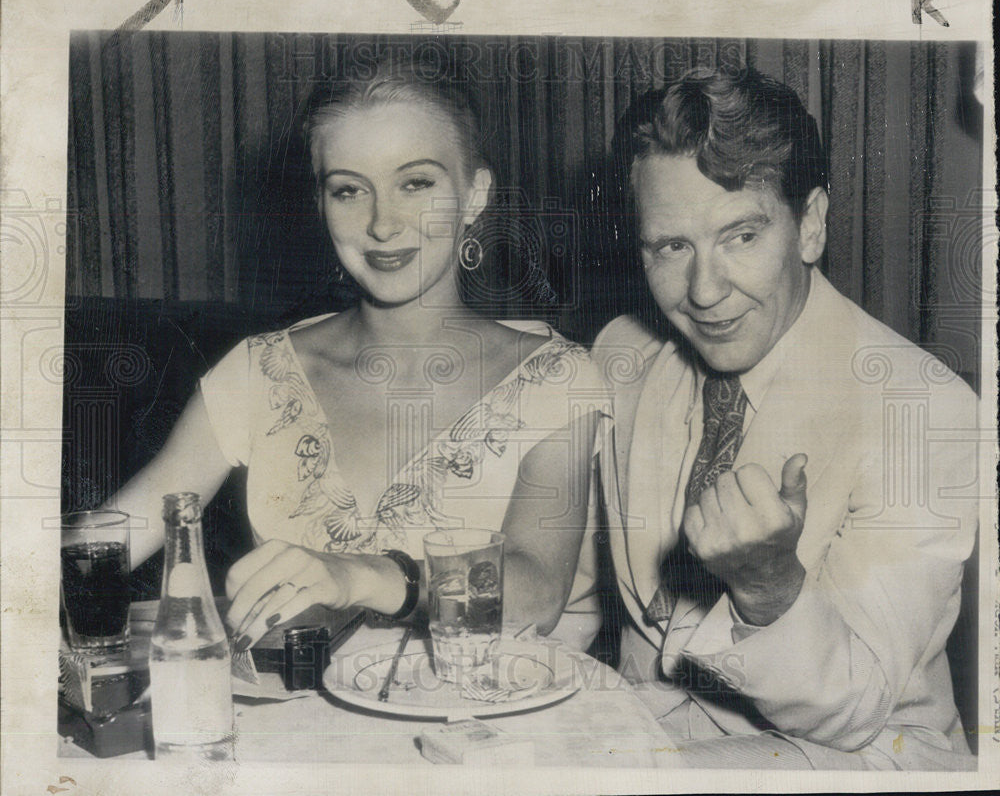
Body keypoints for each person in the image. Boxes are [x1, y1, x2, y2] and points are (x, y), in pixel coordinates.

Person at [107, 55, 607, 653]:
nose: (382, 224)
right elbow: (115, 534)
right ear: (321, 205)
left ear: (475, 196)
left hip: (502, 727)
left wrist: (359, 576)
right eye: (348, 190)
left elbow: (537, 591)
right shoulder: (259, 371)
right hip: (306, 727)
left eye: (415, 184)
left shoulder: (557, 377)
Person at [592, 66, 980, 769]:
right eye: (671, 247)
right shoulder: (623, 353)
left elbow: (854, 707)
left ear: (810, 225)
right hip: (637, 746)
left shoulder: (925, 409)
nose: (704, 292)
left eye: (741, 236)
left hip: (842, 757)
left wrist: (769, 589)